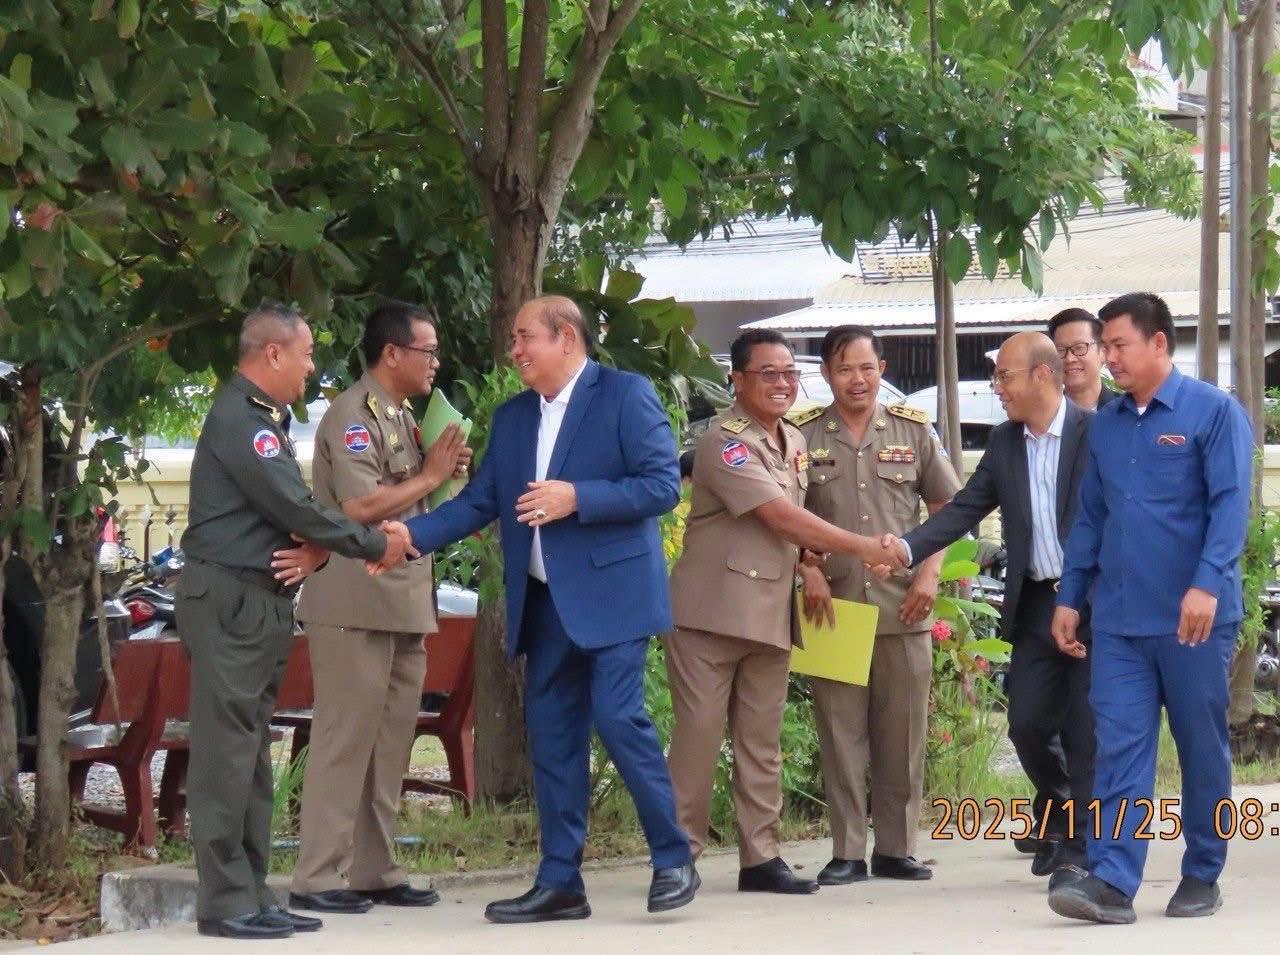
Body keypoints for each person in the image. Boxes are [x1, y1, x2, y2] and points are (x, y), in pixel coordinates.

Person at [385, 295, 698, 923]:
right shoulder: (514, 417)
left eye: (526, 337)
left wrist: (577, 497)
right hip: (545, 601)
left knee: (618, 718)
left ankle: (673, 858)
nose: (516, 350)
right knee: (553, 739)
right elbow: (481, 501)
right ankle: (560, 883)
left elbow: (662, 485)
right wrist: (408, 536)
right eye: (514, 339)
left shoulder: (624, 395)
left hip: (614, 596)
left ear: (567, 339)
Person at [177, 304, 416, 940]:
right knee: (227, 754)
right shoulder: (243, 419)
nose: (312, 368)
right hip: (231, 598)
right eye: (306, 354)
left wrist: (319, 551)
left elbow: (292, 513)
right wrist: (374, 544)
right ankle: (225, 902)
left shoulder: (265, 419)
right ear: (273, 353)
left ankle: (253, 892)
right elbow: (292, 504)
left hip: (258, 598)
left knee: (253, 752)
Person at [664, 329, 903, 897]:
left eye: (790, 373)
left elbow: (788, 529)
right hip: (711, 616)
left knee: (761, 743)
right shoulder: (724, 443)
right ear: (737, 380)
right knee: (698, 742)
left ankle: (761, 857)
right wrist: (863, 547)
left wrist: (808, 562)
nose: (782, 383)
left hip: (771, 613)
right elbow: (779, 515)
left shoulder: (792, 438)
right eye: (767, 373)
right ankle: (676, 857)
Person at [1047, 293, 1252, 925]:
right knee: (1120, 749)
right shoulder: (1106, 425)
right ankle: (1113, 879)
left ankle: (1203, 872)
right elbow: (1091, 518)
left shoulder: (1213, 413)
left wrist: (1207, 584)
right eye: (1104, 346)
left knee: (1200, 748)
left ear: (1159, 343)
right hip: (1120, 622)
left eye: (1119, 345)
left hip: (1194, 622)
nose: (1108, 358)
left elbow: (1230, 505)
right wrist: (1070, 595)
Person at [885, 331, 1097, 887]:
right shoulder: (1005, 443)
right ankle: (1062, 812)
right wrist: (906, 548)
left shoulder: (1096, 432)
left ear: (1042, 375)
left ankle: (1079, 846)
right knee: (1027, 724)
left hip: (1094, 605)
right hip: (1036, 603)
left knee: (1086, 729)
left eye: (1005, 375)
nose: (996, 387)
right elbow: (964, 509)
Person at [288, 303, 471, 915]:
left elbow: (414, 502)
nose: (435, 362)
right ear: (392, 353)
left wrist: (443, 473)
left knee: (390, 743)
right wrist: (430, 476)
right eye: (427, 351)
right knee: (345, 739)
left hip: (403, 600)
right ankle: (318, 876)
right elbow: (360, 508)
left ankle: (375, 869)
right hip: (355, 602)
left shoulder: (402, 415)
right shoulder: (352, 416)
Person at [792, 325, 961, 886]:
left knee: (902, 733)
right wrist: (806, 570)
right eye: (844, 369)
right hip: (832, 606)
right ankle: (846, 851)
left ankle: (896, 848)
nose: (857, 380)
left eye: (867, 368)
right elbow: (781, 514)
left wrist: (929, 575)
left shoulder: (914, 430)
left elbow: (946, 506)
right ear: (826, 374)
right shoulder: (801, 435)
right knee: (840, 736)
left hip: (903, 604)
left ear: (882, 370)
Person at [1047, 308, 1120, 412]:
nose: (1069, 359)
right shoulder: (1042, 416)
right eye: (1060, 350)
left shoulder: (1129, 412)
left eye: (1079, 347)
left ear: (1103, 352)